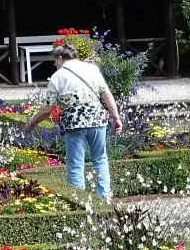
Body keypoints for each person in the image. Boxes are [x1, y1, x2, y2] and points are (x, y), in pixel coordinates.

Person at [22, 42, 123, 198]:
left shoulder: (57, 77)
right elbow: (106, 93)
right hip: (97, 120)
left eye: (55, 62)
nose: (55, 65)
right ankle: (105, 198)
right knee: (100, 159)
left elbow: (47, 109)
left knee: (76, 165)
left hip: (74, 123)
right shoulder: (92, 69)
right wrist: (115, 116)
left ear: (60, 58)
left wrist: (31, 123)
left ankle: (79, 201)